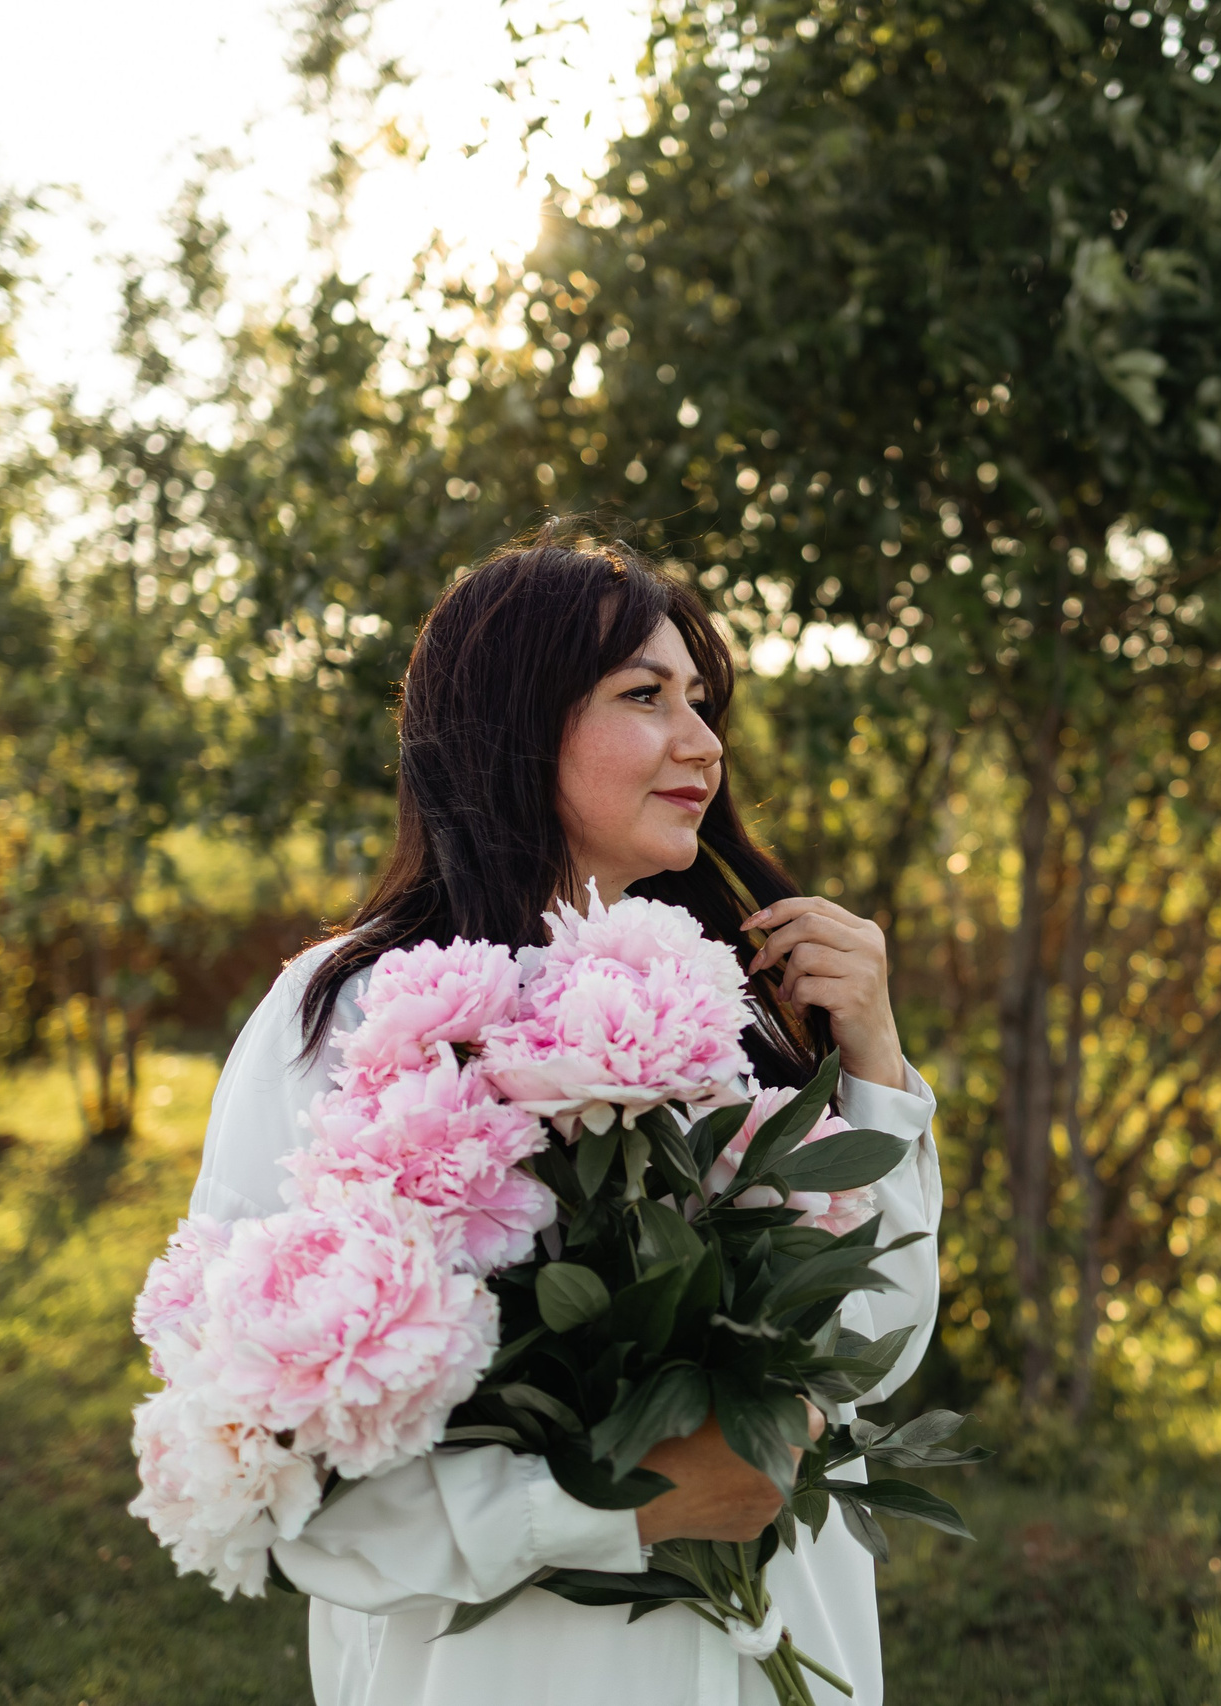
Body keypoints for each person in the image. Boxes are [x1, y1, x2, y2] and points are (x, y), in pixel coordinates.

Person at [180, 530, 943, 1706]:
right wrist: (613, 1502)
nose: (701, 741)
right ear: (517, 722)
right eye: (645, 695)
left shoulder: (724, 1005)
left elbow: (869, 1351)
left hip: (785, 1654)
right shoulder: (348, 1011)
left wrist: (874, 1062)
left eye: (700, 699)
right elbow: (277, 1485)